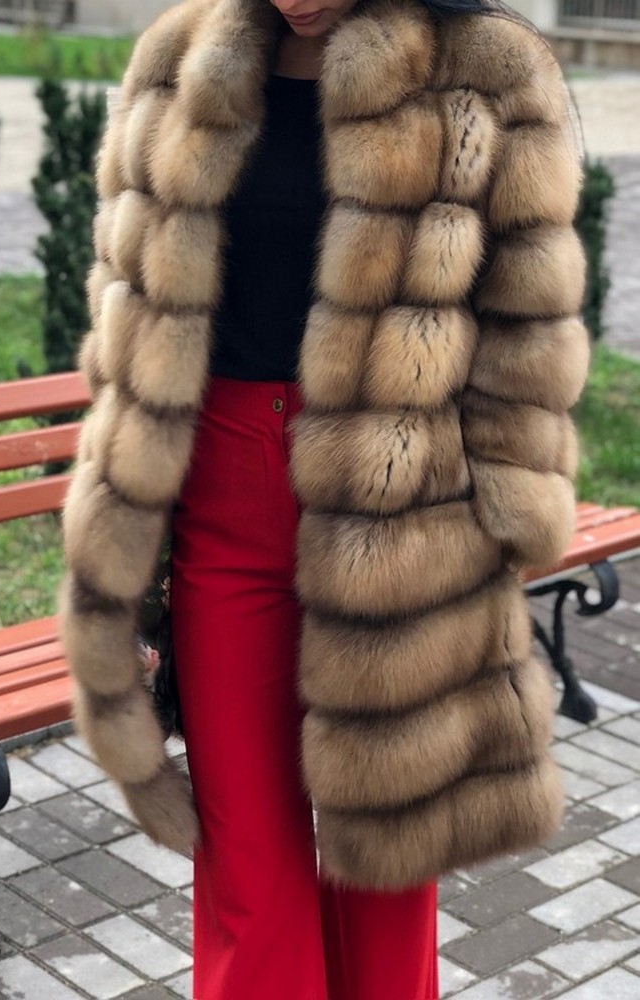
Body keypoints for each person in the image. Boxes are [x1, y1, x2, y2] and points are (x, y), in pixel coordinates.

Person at [59, 0, 590, 996]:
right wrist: (128, 523)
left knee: (385, 851)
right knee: (247, 861)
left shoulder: (485, 71)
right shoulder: (180, 59)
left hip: (402, 505)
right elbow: (125, 299)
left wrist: (504, 512)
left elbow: (527, 320)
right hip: (221, 499)